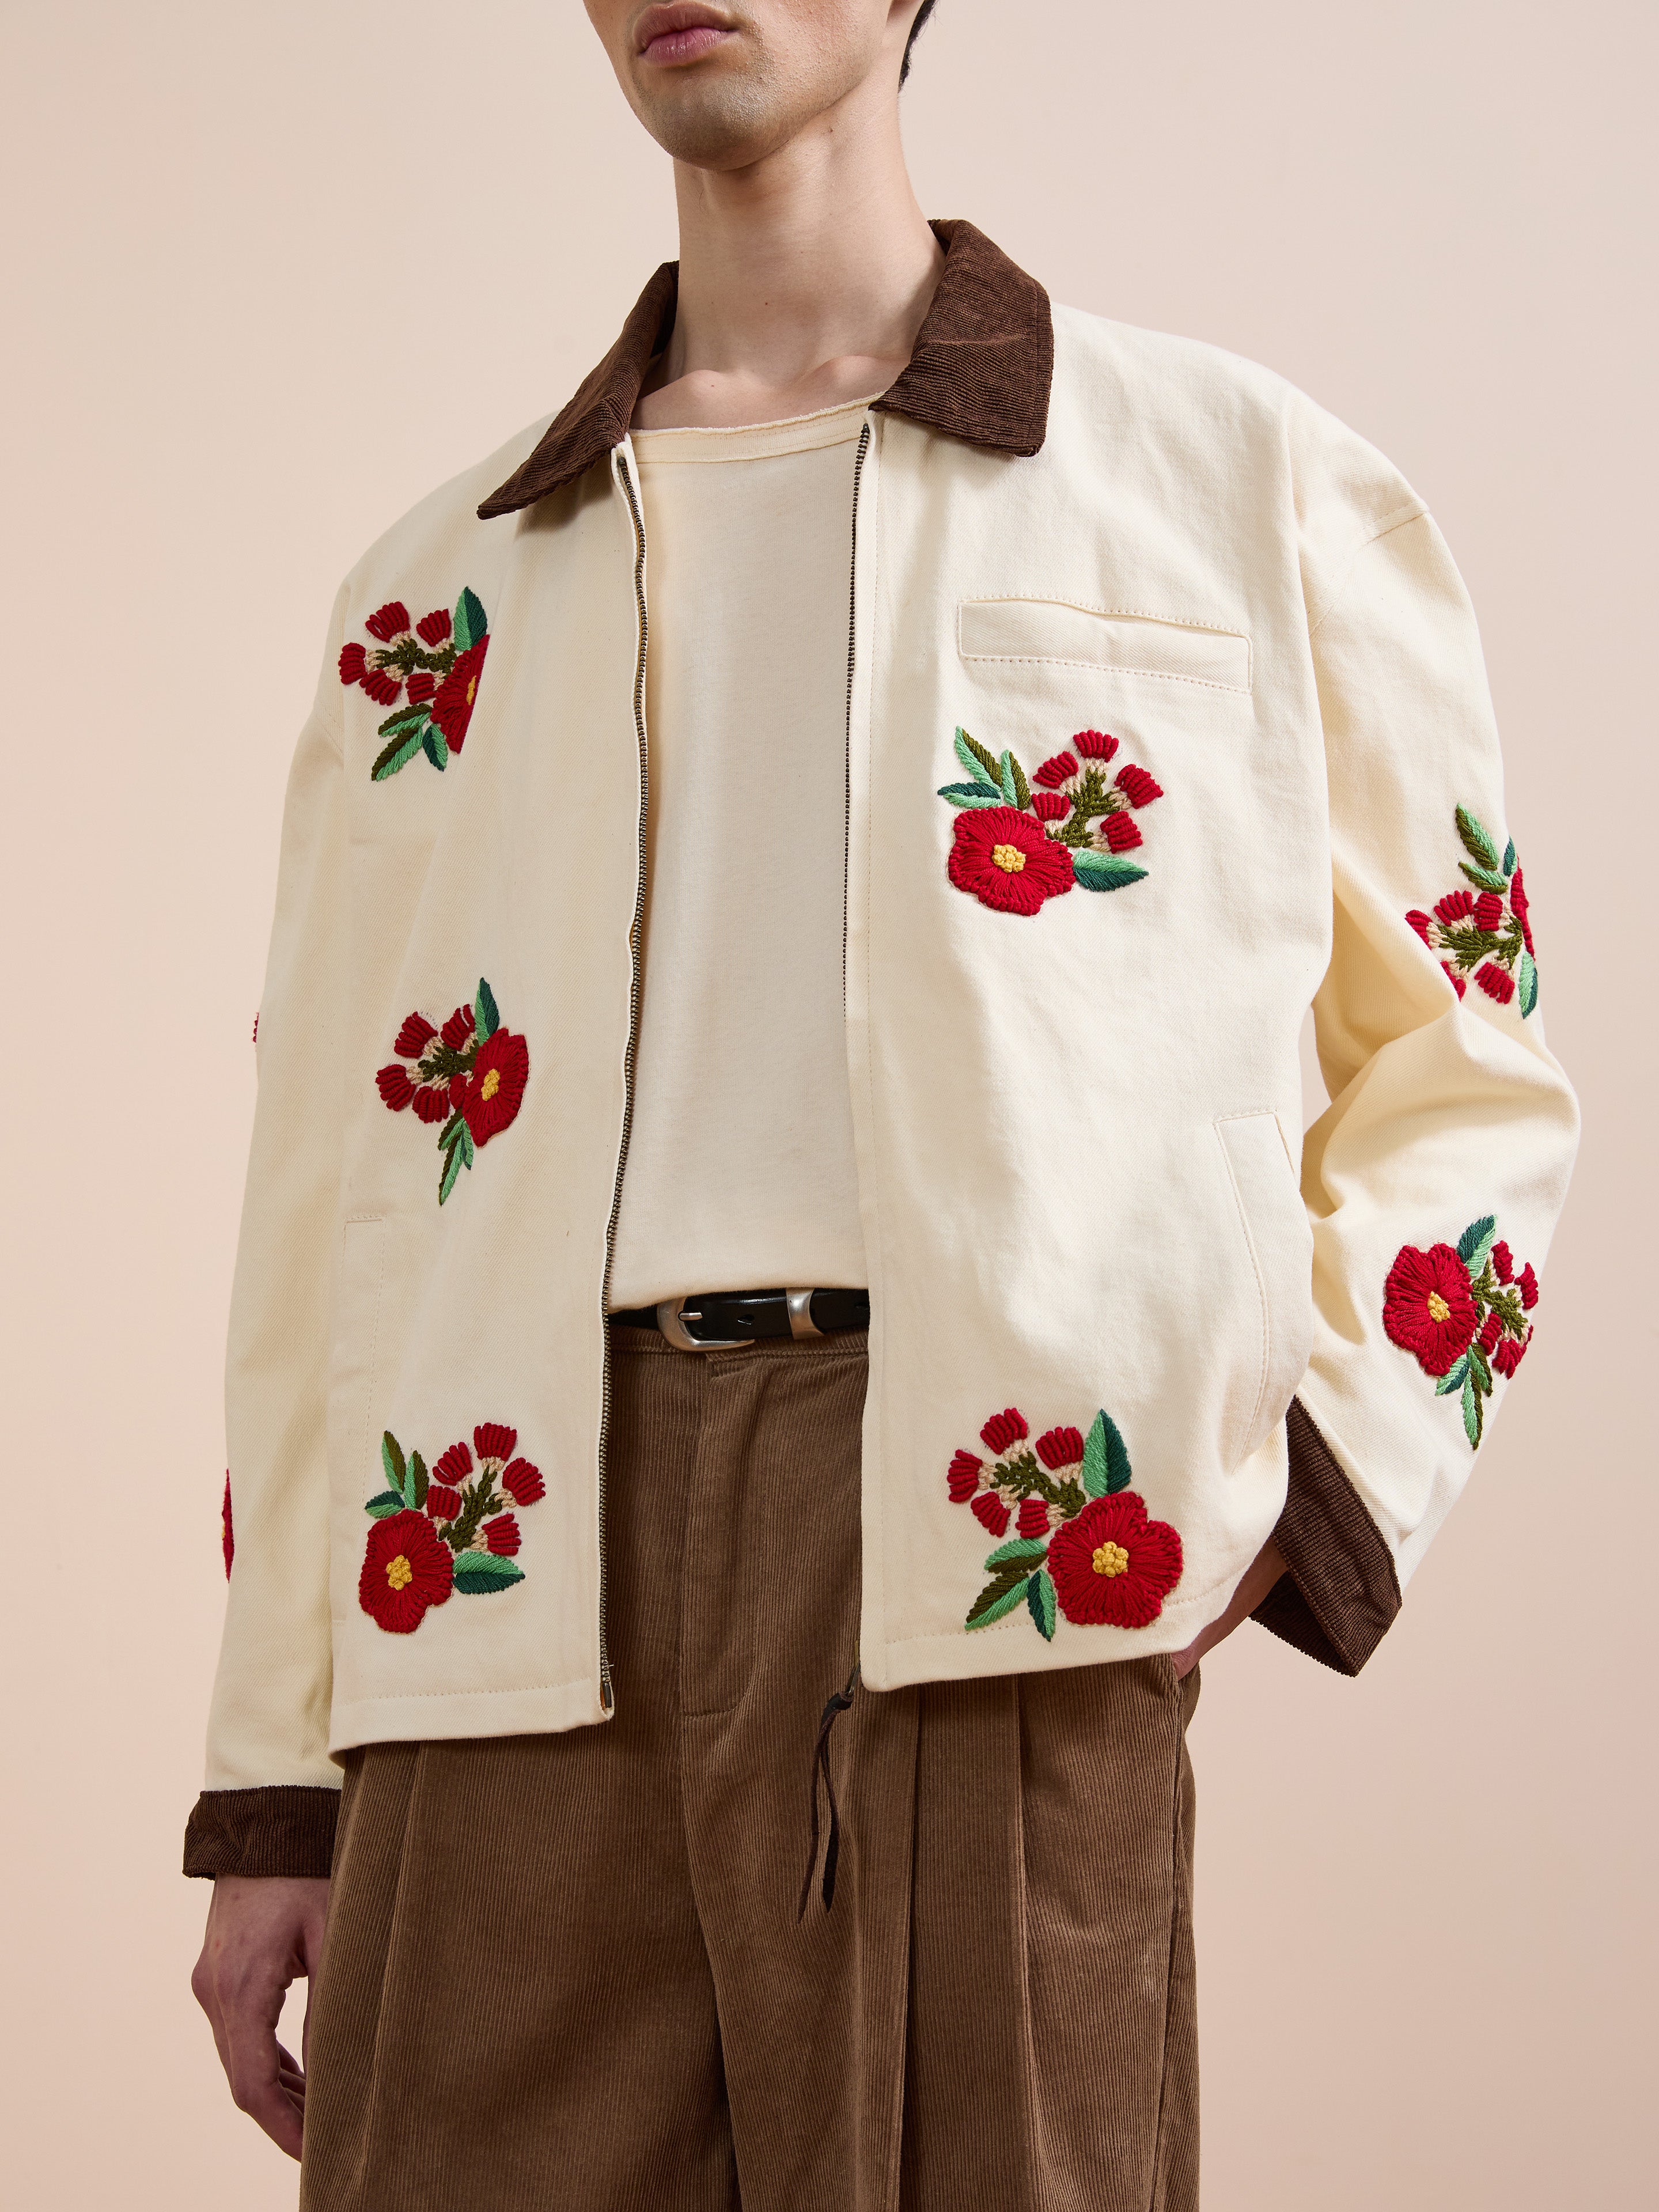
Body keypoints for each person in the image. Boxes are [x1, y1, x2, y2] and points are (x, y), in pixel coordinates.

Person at [185, 3, 1579, 2205]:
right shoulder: (432, 591)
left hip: (994, 1531)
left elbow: (1471, 1049)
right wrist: (278, 1784)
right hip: (500, 1555)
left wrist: (1295, 1473)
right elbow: (324, 1194)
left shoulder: (1238, 479)